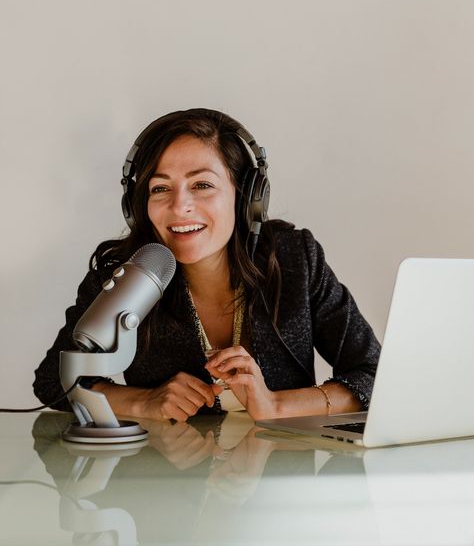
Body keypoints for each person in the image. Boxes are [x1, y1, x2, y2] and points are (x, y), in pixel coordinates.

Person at [33, 108, 380, 422]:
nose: (180, 205)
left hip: (282, 481)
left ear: (245, 198)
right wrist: (144, 402)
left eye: (202, 185)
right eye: (160, 188)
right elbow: (54, 380)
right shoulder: (126, 274)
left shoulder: (293, 259)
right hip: (166, 483)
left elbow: (375, 373)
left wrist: (276, 405)